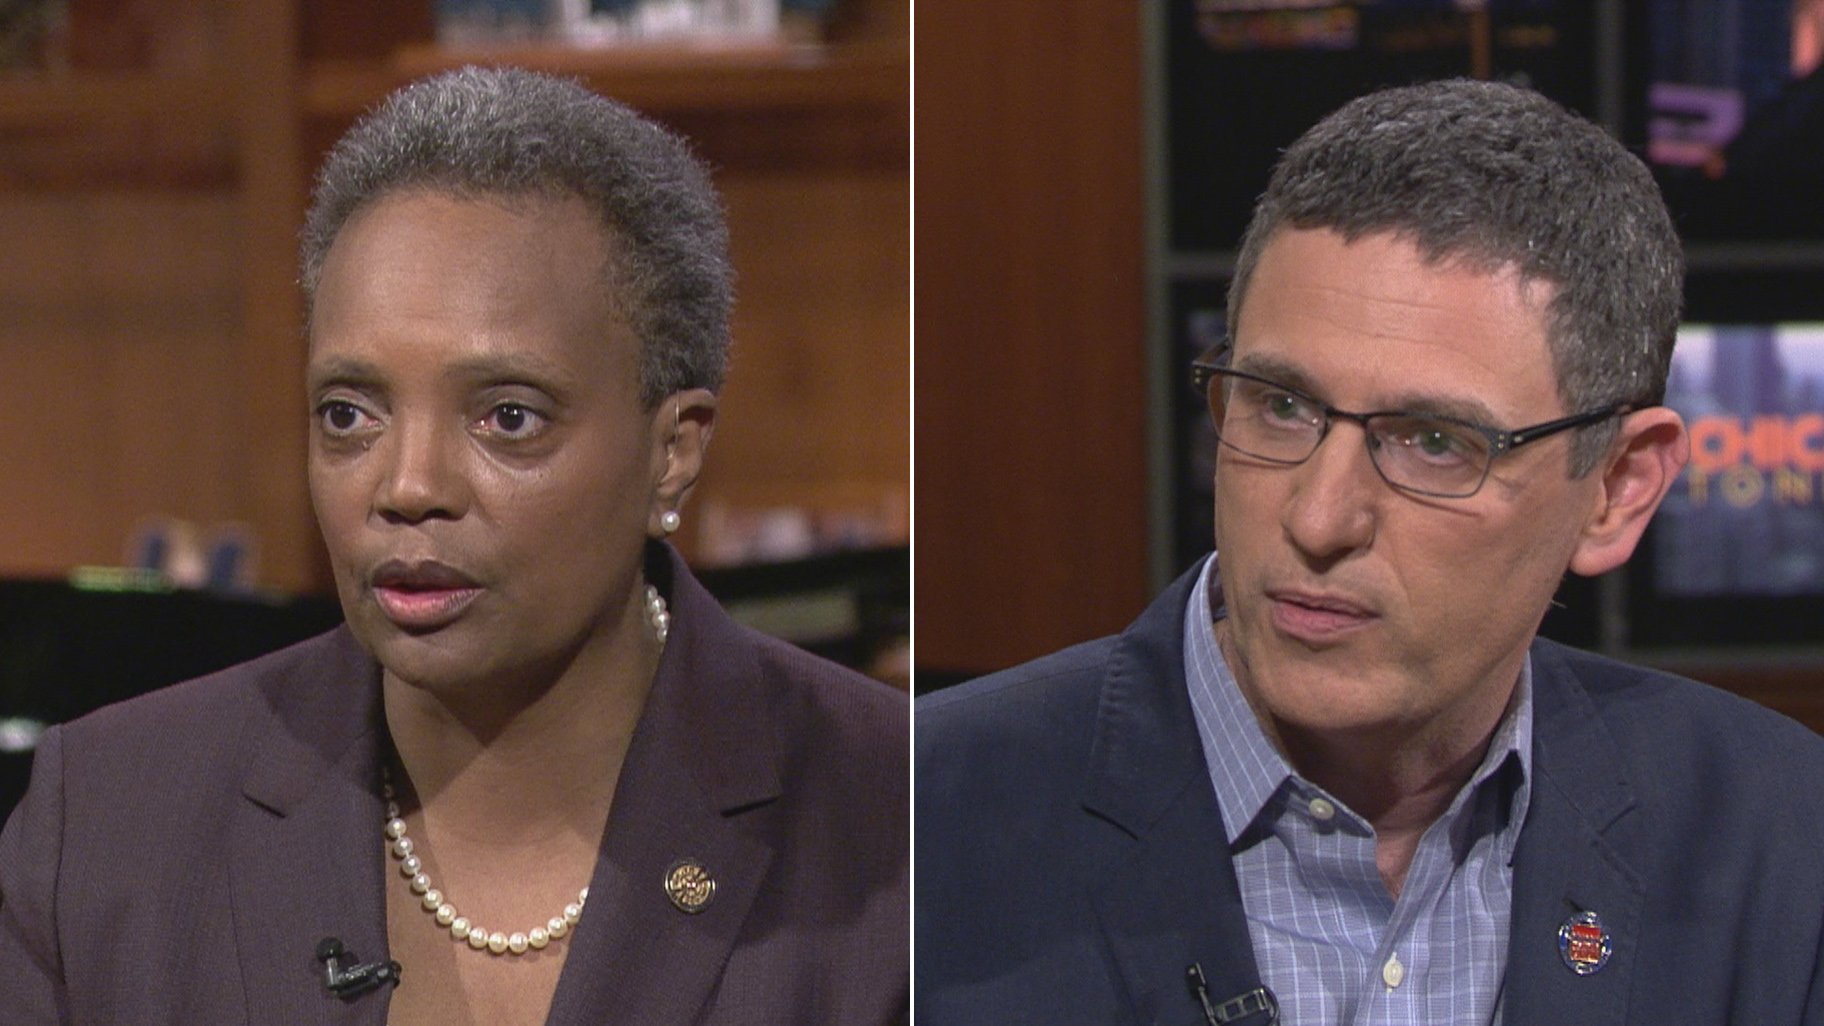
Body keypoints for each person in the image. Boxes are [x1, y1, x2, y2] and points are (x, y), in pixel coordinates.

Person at [0, 67, 908, 1025]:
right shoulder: (107, 823)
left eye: (509, 417)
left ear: (671, 454)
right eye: (349, 414)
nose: (408, 487)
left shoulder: (898, 822)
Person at [917, 79, 1824, 1025]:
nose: (1317, 518)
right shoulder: (918, 827)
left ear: (1618, 490)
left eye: (1434, 441)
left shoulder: (1782, 843)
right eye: (1280, 406)